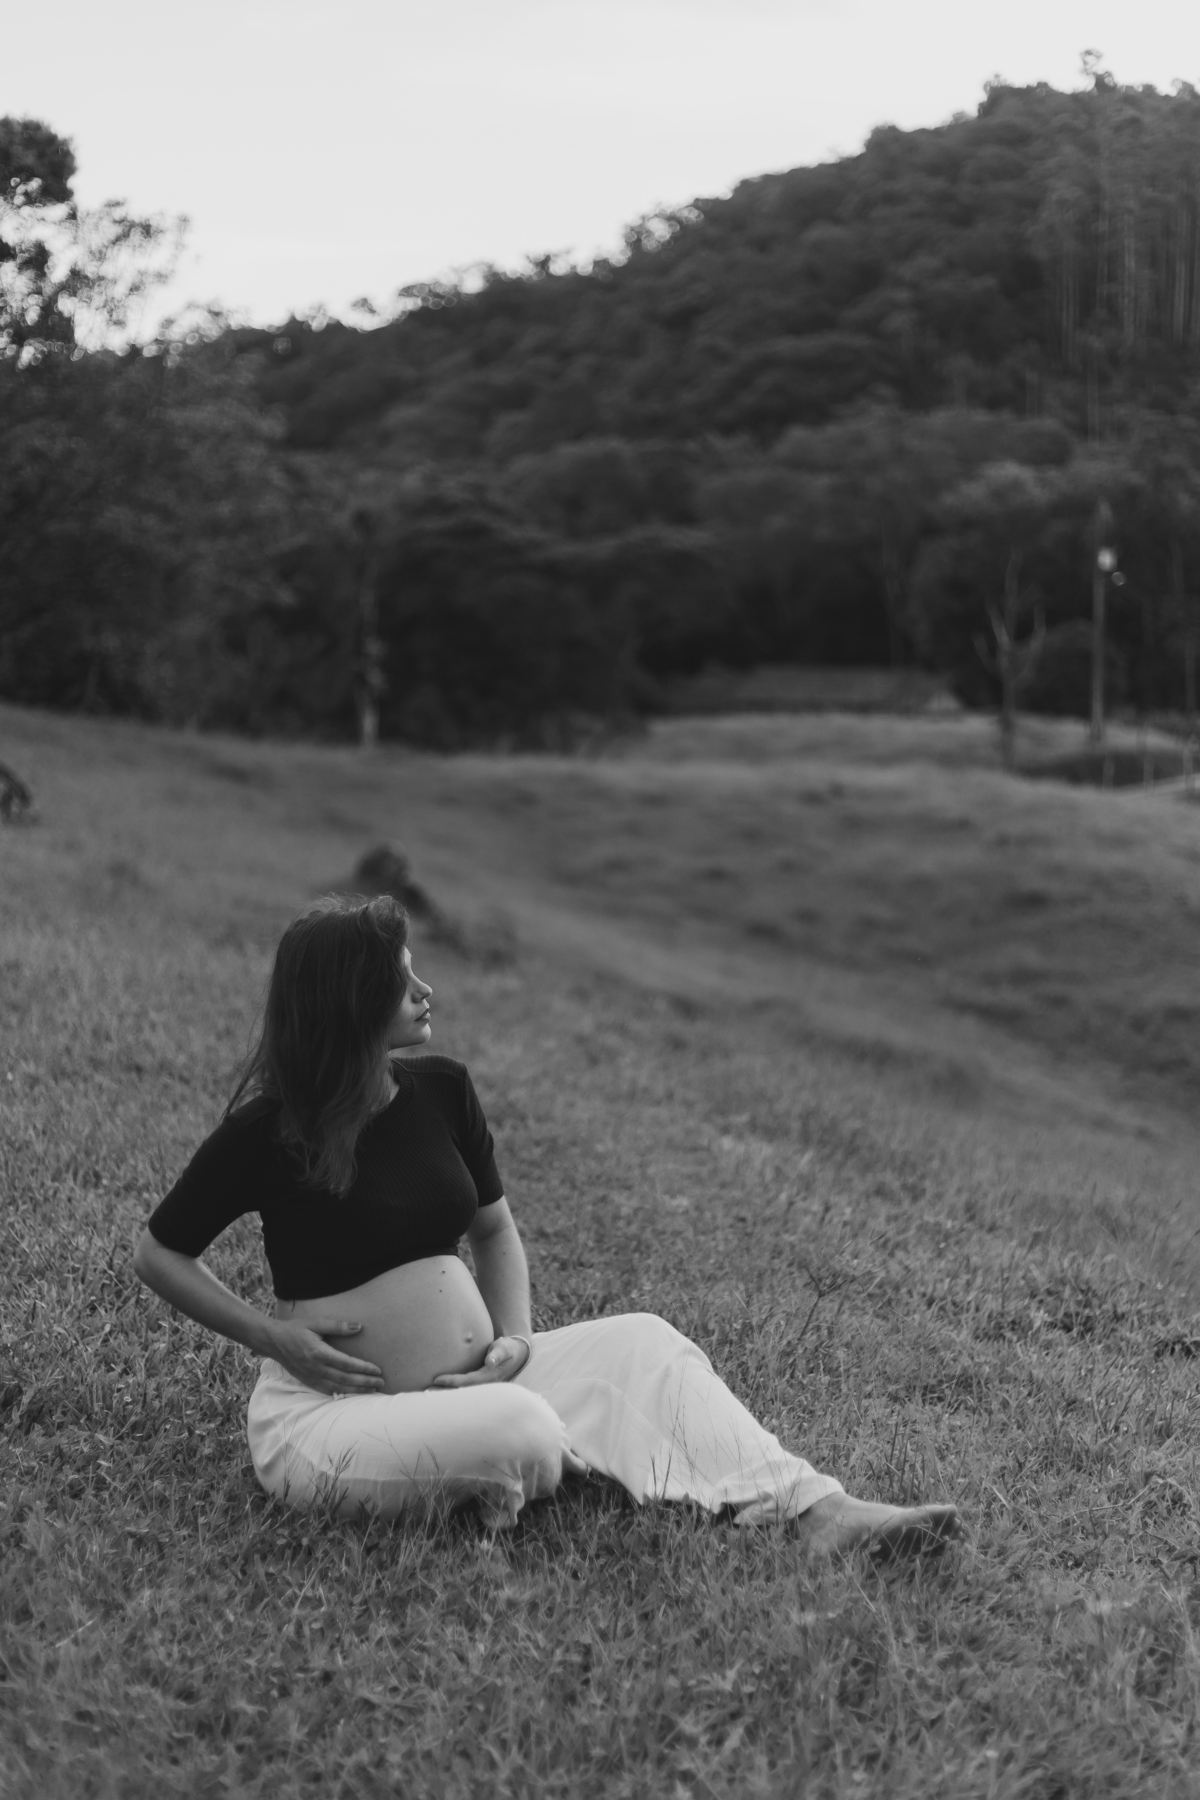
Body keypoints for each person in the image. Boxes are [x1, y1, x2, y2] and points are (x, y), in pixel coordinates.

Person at [134, 895, 962, 1557]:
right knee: (521, 1430)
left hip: (480, 1383)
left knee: (645, 1342)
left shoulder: (442, 1091)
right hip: (329, 1421)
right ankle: (552, 1455)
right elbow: (158, 1252)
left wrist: (517, 1344)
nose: (425, 991)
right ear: (349, 1004)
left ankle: (818, 1511)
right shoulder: (269, 1131)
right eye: (401, 979)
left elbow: (495, 1234)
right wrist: (271, 1338)